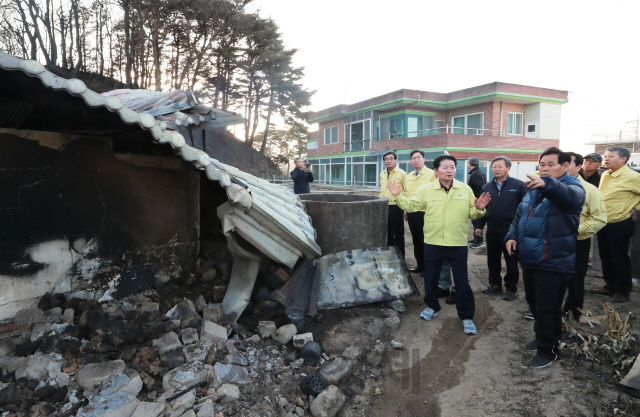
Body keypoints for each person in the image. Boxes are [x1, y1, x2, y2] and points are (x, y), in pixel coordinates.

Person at [388, 155, 491, 335]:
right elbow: (412, 207)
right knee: (431, 278)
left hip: (456, 243)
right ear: (436, 171)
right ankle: (432, 306)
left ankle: (466, 316)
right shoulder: (426, 190)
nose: (449, 170)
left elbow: (473, 214)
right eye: (445, 167)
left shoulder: (464, 189)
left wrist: (480, 208)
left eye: (452, 167)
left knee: (461, 281)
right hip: (433, 242)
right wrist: (398, 197)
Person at [505, 147, 585, 368]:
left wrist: (548, 184)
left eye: (551, 164)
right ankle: (545, 337)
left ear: (565, 165)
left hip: (553, 259)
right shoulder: (534, 188)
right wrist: (512, 235)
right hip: (530, 257)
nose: (546, 168)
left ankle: (548, 351)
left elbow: (569, 199)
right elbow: (519, 215)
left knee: (547, 306)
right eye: (542, 165)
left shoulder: (573, 187)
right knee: (534, 303)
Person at [590, 146, 640, 303]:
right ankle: (610, 285)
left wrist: (635, 208)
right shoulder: (605, 174)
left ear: (623, 159)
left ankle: (623, 291)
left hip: (620, 222)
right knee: (606, 256)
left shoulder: (633, 176)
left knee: (619, 257)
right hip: (603, 220)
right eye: (605, 155)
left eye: (611, 156)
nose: (606, 158)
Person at [476, 156, 527, 301]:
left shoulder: (518, 185)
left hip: (511, 231)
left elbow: (526, 209)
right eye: (494, 167)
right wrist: (479, 226)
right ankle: (495, 285)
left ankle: (511, 288)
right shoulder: (487, 187)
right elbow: (482, 207)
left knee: (511, 260)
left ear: (508, 168)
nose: (496, 169)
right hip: (492, 230)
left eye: (499, 166)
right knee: (492, 259)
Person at [564, 152, 607, 320]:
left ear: (578, 167)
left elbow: (599, 218)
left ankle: (572, 312)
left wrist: (576, 230)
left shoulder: (590, 191)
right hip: (551, 241)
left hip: (577, 241)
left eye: (567, 164)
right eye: (562, 164)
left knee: (575, 279)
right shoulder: (547, 188)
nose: (563, 167)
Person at [404, 150, 435, 272]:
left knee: (425, 240)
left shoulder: (432, 174)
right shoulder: (409, 176)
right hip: (412, 212)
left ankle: (428, 267)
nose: (416, 160)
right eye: (413, 158)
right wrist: (406, 209)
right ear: (411, 161)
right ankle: (420, 265)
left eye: (418, 157)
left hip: (425, 213)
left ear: (424, 159)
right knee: (416, 240)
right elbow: (406, 193)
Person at [380, 151, 407, 255]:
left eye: (391, 158)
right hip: (384, 206)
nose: (389, 161)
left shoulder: (402, 173)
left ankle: (401, 255)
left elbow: (406, 190)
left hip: (397, 206)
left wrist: (405, 208)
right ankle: (390, 254)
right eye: (386, 159)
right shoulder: (382, 174)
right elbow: (382, 189)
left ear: (395, 160)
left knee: (398, 232)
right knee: (387, 231)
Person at [467, 156, 487, 249]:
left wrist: (479, 199)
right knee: (475, 221)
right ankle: (476, 238)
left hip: (477, 202)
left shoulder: (475, 174)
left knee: (477, 221)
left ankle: (478, 241)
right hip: (478, 200)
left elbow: (480, 187)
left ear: (469, 164)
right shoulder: (480, 172)